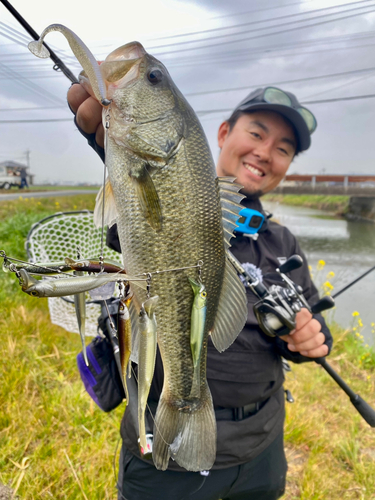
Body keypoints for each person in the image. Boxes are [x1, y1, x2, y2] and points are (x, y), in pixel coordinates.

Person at [67, 83, 332, 500]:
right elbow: (138, 219)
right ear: (224, 133)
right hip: (165, 448)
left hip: (261, 444)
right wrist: (121, 154)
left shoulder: (282, 242)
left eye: (284, 149)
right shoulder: (174, 201)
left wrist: (309, 338)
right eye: (258, 133)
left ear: (287, 165)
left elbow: (312, 319)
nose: (266, 152)